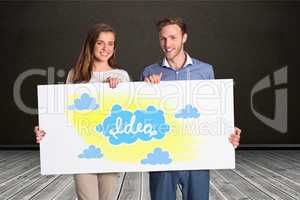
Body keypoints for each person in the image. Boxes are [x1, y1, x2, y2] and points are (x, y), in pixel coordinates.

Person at [141, 17, 241, 200]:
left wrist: (228, 132)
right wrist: (147, 90)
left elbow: (214, 112)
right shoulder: (149, 72)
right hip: (162, 157)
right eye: (163, 38)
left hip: (197, 156)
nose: (167, 44)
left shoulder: (205, 70)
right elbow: (142, 118)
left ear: (184, 38)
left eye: (173, 38)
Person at [34, 23, 130, 200]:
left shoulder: (122, 76)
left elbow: (128, 114)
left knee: (107, 197)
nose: (105, 48)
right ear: (91, 44)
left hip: (111, 150)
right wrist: (46, 130)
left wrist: (118, 89)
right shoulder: (75, 75)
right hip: (81, 149)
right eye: (100, 43)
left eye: (110, 43)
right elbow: (64, 115)